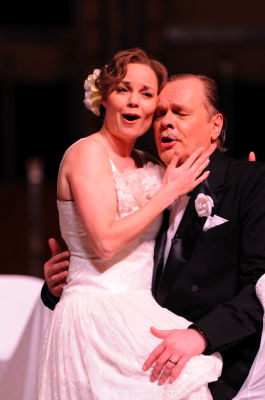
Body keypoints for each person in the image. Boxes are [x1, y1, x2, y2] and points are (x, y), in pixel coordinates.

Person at [42, 70, 265, 399]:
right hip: (141, 348)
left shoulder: (249, 181)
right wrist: (63, 282)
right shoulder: (152, 183)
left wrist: (201, 335)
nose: (166, 122)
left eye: (180, 112)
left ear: (215, 126)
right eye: (160, 114)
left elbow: (261, 287)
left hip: (223, 364)